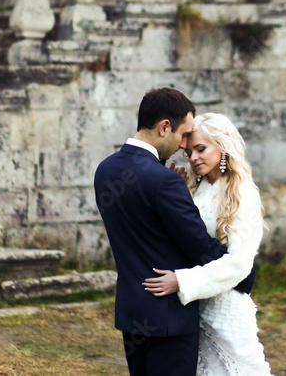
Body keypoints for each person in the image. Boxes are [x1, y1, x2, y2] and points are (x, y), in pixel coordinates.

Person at [94, 88, 254, 376]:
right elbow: (197, 245)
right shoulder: (164, 181)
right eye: (184, 136)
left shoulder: (105, 170)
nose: (184, 147)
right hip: (171, 317)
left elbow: (147, 224)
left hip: (134, 313)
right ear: (164, 126)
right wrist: (244, 273)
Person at [143, 112, 273, 375]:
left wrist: (183, 281)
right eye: (189, 152)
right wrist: (178, 189)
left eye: (201, 149)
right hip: (193, 310)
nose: (193, 158)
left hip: (226, 310)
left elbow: (239, 264)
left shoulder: (242, 193)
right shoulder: (194, 186)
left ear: (223, 146)